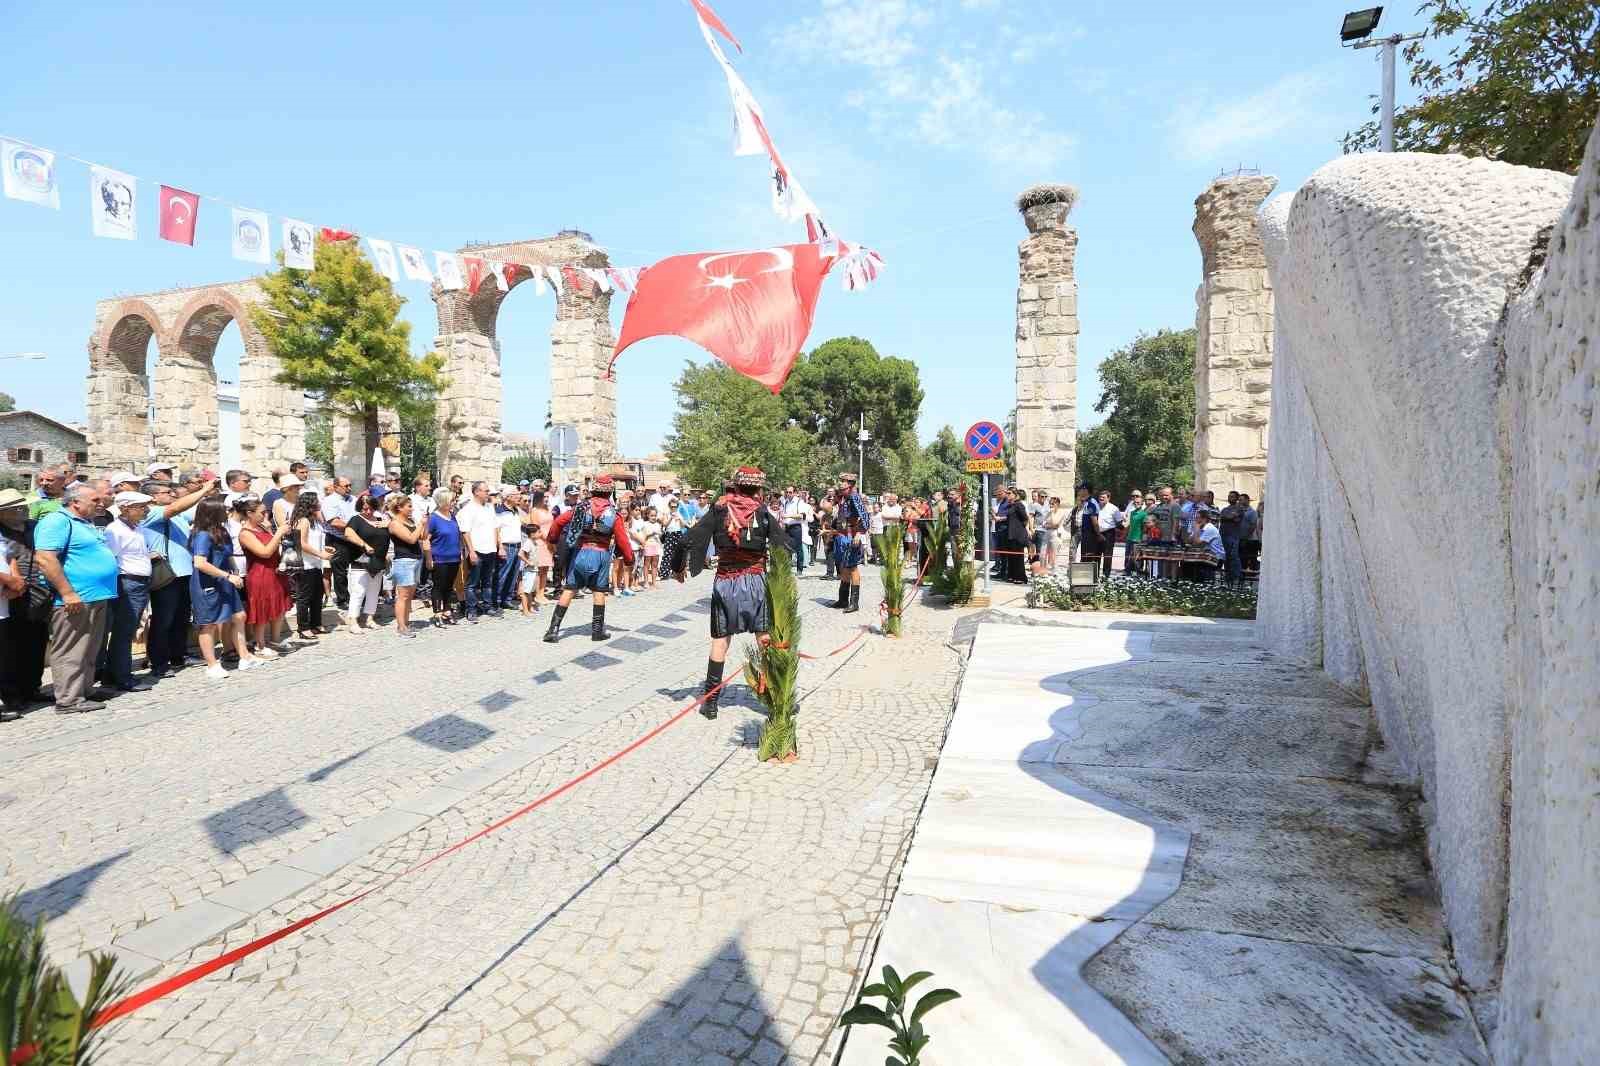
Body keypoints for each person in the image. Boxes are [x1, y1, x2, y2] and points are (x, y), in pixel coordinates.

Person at [673, 466, 781, 720]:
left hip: (725, 582)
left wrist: (679, 567)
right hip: (756, 581)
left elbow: (685, 540)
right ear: (757, 488)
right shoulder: (763, 512)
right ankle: (775, 698)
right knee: (764, 637)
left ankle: (710, 703)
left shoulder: (719, 510)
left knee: (721, 640)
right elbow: (783, 544)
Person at [32, 482, 119, 712]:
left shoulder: (85, 522)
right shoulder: (57, 521)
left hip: (95, 596)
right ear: (75, 502)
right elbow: (45, 558)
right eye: (95, 501)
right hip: (74, 597)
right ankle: (69, 699)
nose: (100, 504)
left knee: (90, 646)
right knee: (71, 648)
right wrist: (67, 592)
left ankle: (85, 689)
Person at [543, 475, 633, 643]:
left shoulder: (580, 508)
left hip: (581, 552)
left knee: (569, 589)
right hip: (601, 554)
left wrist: (553, 540)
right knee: (599, 591)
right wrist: (629, 560)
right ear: (609, 492)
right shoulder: (614, 515)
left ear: (594, 490)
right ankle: (597, 631)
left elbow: (558, 522)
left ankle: (553, 630)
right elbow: (623, 541)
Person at [140, 477, 213, 676]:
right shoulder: (151, 512)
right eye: (166, 492)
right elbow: (177, 507)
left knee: (181, 618)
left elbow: (198, 510)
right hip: (166, 574)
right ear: (152, 497)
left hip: (184, 572)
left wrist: (209, 494)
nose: (171, 495)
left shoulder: (176, 515)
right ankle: (159, 662)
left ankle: (178, 655)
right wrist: (203, 490)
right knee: (164, 619)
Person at [187, 498, 263, 680]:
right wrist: (227, 576)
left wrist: (234, 571)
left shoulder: (221, 531)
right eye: (224, 509)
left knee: (239, 615)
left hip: (226, 580)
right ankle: (212, 664)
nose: (228, 512)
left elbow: (226, 554)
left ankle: (244, 656)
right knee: (209, 624)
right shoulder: (203, 535)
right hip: (208, 583)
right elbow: (200, 563)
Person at [100, 490, 157, 692]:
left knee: (126, 630)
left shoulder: (137, 527)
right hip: (128, 582)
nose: (145, 510)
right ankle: (122, 676)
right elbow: (111, 559)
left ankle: (112, 673)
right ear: (125, 508)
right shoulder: (115, 530)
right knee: (124, 632)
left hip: (139, 582)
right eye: (140, 507)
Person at [0, 489, 47, 717]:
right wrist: (13, 584)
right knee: (12, 648)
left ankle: (32, 688)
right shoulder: (1, 532)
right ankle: (14, 694)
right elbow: (7, 561)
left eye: (23, 506)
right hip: (12, 594)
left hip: (39, 592)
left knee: (36, 642)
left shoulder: (34, 527)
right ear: (4, 513)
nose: (23, 510)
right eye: (16, 508)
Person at [237, 497, 292, 656]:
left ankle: (275, 639)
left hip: (275, 571)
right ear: (249, 513)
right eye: (262, 512)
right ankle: (260, 645)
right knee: (261, 610)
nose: (265, 515)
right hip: (260, 574)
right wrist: (278, 532)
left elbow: (274, 547)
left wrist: (272, 532)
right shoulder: (245, 533)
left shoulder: (262, 528)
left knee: (278, 606)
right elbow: (264, 552)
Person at [284, 491, 334, 641]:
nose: (319, 503)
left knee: (317, 596)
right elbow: (302, 543)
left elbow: (314, 541)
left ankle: (316, 623)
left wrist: (325, 551)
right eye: (317, 501)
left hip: (315, 564)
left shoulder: (314, 521)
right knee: (304, 597)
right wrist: (320, 554)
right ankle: (303, 627)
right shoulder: (303, 521)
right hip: (305, 564)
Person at [343, 493, 391, 634]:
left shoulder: (380, 519)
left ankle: (369, 618)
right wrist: (364, 544)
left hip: (378, 560)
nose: (368, 511)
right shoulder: (356, 519)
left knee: (374, 591)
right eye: (364, 508)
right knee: (358, 591)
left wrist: (388, 523)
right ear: (360, 507)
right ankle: (353, 620)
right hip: (361, 561)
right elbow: (348, 533)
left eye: (370, 508)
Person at [456, 481, 502, 622]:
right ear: (476, 492)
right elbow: (465, 532)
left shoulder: (489, 508)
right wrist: (471, 551)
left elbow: (495, 527)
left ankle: (487, 606)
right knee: (472, 583)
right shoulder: (468, 510)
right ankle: (471, 609)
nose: (488, 493)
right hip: (477, 549)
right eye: (485, 491)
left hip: (490, 549)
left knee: (487, 581)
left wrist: (497, 546)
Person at [386, 492, 427, 637]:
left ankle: (407, 623)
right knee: (402, 596)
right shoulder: (395, 523)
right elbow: (410, 539)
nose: (412, 509)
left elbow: (422, 537)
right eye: (409, 507)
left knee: (409, 595)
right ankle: (401, 626)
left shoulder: (410, 521)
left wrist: (423, 525)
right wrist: (420, 525)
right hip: (404, 561)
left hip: (416, 559)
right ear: (400, 507)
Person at [831, 472, 869, 613]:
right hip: (842, 535)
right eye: (841, 480)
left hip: (851, 536)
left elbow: (865, 517)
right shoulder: (843, 497)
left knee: (852, 568)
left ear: (850, 484)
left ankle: (854, 603)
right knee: (844, 567)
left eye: (844, 481)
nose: (841, 483)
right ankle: (842, 599)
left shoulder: (854, 496)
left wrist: (859, 533)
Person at [320, 475, 356, 618]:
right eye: (345, 486)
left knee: (358, 568)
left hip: (353, 538)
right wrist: (355, 526)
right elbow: (334, 521)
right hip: (337, 538)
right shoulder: (329, 501)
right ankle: (343, 599)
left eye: (349, 485)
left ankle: (357, 596)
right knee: (340, 570)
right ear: (335, 487)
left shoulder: (353, 499)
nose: (349, 488)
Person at [425, 488, 463, 624]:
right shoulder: (434, 518)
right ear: (443, 502)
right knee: (438, 586)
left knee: (449, 586)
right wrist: (429, 558)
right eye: (451, 501)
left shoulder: (453, 516)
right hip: (439, 558)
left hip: (454, 557)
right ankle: (437, 612)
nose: (454, 503)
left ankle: (447, 610)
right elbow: (426, 540)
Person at [524, 490, 552, 609]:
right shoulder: (534, 511)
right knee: (539, 569)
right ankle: (536, 594)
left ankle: (541, 593)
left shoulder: (547, 510)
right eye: (544, 497)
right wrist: (547, 538)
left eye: (547, 497)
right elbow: (535, 528)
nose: (546, 499)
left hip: (549, 542)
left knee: (545, 568)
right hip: (540, 541)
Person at [780, 485, 808, 576]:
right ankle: (787, 569)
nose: (788, 494)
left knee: (798, 548)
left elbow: (801, 516)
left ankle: (799, 570)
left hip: (796, 527)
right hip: (787, 527)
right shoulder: (785, 502)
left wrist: (788, 516)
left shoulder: (799, 502)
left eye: (790, 492)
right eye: (787, 492)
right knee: (787, 548)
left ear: (795, 493)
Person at [1095, 490, 1123, 578]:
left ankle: (1106, 575)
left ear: (1108, 498)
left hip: (1109, 533)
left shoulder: (1114, 509)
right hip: (1096, 533)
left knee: (1107, 555)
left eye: (1103, 497)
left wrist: (1123, 530)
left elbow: (1119, 522)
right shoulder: (1095, 507)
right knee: (1096, 555)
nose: (1101, 499)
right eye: (1100, 497)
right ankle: (1095, 574)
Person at [1218, 491, 1244, 585]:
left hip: (1233, 536)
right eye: (1229, 496)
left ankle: (1237, 576)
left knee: (1234, 556)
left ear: (1237, 498)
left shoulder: (1239, 509)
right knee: (1226, 557)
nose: (1230, 498)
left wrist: (1229, 517)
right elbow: (1222, 517)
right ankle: (1228, 578)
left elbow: (1236, 518)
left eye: (1232, 496)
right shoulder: (1225, 509)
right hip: (1224, 535)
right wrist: (1230, 517)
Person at [638, 506, 662, 590]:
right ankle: (646, 581)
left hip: (656, 545)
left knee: (655, 564)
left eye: (655, 515)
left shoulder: (658, 524)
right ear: (648, 515)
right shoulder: (645, 524)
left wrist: (659, 534)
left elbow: (660, 534)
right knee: (646, 564)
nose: (653, 517)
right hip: (648, 545)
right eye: (652, 515)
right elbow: (642, 535)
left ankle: (654, 582)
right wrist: (650, 534)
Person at [1125, 490, 1148, 576]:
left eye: (1138, 502)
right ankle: (1127, 571)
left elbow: (1144, 528)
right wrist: (1126, 535)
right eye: (1135, 503)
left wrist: (1142, 538)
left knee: (1136, 557)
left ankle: (1138, 572)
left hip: (1138, 538)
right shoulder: (1132, 512)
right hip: (1130, 537)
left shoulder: (1144, 514)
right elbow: (1129, 525)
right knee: (1128, 555)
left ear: (1142, 503)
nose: (1136, 504)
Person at [1044, 495, 1069, 571]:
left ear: (1057, 504)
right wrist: (1048, 525)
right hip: (1048, 534)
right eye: (1050, 504)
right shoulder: (1049, 512)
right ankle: (1046, 569)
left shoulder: (1061, 512)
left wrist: (1049, 524)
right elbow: (1044, 524)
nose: (1051, 505)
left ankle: (1054, 570)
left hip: (1056, 534)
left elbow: (1056, 523)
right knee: (1046, 553)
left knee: (1054, 553)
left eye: (1052, 504)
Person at [1239, 493, 1261, 576]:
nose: (1239, 501)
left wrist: (1245, 538)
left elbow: (1253, 526)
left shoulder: (1252, 512)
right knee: (1242, 560)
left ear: (1247, 500)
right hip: (1241, 539)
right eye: (1239, 500)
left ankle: (1252, 577)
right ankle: (1243, 576)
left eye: (1241, 499)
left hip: (1250, 540)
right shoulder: (1240, 511)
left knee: (1251, 559)